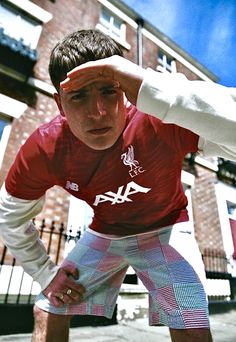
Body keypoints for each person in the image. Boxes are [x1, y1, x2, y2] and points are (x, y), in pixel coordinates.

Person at [0, 29, 236, 342]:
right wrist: (46, 275)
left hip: (166, 228)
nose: (97, 112)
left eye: (108, 91)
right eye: (79, 96)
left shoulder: (160, 117)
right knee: (50, 304)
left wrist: (154, 90)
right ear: (59, 103)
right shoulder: (46, 147)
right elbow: (10, 217)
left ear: (125, 89)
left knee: (189, 320)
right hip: (107, 233)